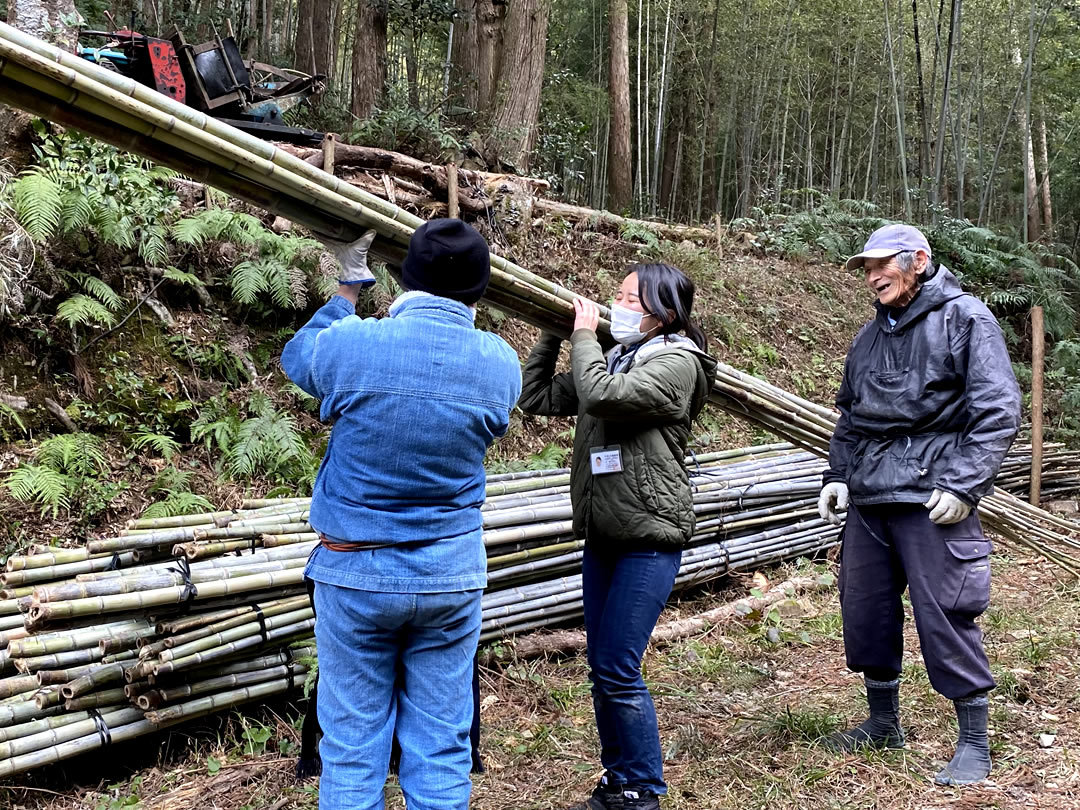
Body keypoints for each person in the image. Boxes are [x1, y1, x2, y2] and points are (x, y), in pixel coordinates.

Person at [281, 219, 522, 810]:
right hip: (451, 575)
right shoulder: (500, 363)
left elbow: (298, 359)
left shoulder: (356, 343)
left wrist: (346, 287)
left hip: (356, 573)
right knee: (442, 745)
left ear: (403, 276)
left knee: (353, 747)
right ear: (479, 289)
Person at [817, 223, 1020, 786]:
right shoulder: (868, 336)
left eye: (883, 264)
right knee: (865, 609)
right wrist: (837, 475)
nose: (873, 275)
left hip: (932, 495)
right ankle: (882, 722)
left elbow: (998, 410)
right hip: (869, 495)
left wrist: (963, 484)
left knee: (946, 611)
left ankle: (974, 740)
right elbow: (850, 415)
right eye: (867, 267)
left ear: (919, 261)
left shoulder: (967, 319)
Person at [518, 264, 717, 810]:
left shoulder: (678, 363)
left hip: (650, 534)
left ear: (664, 313)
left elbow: (604, 398)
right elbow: (534, 396)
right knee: (602, 662)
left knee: (619, 664)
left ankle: (643, 789)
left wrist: (583, 336)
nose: (618, 305)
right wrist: (552, 331)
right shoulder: (615, 359)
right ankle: (620, 776)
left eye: (631, 298)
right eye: (619, 295)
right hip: (605, 532)